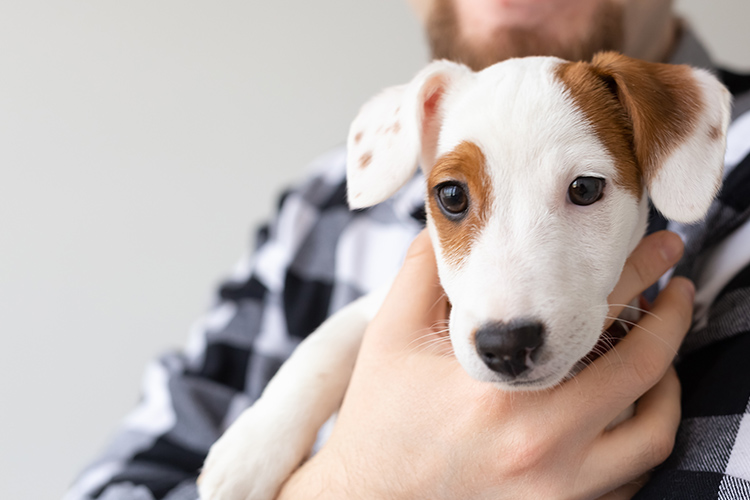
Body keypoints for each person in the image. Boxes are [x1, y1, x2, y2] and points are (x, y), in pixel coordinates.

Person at [66, 0, 750, 498]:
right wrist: (356, 485)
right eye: (453, 199)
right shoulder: (318, 205)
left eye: (584, 190)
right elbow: (114, 481)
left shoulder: (704, 154)